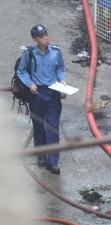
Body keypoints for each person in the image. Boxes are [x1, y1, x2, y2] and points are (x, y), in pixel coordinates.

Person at [17, 25, 66, 174]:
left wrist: (62, 80)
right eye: (41, 35)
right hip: (36, 93)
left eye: (46, 34)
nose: (46, 37)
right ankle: (41, 156)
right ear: (35, 39)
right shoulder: (29, 53)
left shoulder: (56, 52)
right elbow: (21, 71)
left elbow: (60, 68)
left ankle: (52, 161)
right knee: (39, 126)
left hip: (53, 94)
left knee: (52, 127)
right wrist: (29, 84)